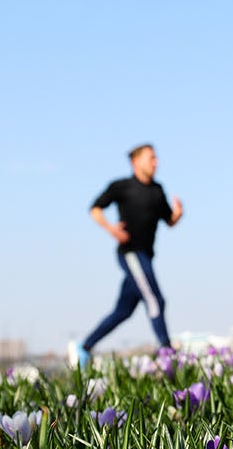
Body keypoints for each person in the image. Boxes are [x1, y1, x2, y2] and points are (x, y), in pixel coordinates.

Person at [73, 144, 183, 365]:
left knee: (123, 311)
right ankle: (166, 353)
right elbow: (95, 208)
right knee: (155, 299)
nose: (156, 162)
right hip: (131, 254)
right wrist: (111, 229)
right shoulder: (121, 187)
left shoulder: (157, 190)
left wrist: (178, 214)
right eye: (151, 158)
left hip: (147, 256)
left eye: (156, 158)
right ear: (136, 161)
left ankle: (85, 347)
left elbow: (169, 221)